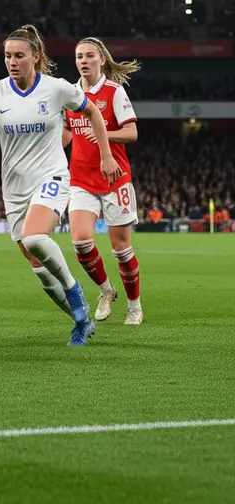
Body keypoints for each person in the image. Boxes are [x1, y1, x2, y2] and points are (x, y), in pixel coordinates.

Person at [0, 25, 122, 346]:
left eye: (19, 55)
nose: (12, 61)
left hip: (52, 177)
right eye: (8, 55)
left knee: (35, 238)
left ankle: (76, 292)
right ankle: (81, 320)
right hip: (14, 189)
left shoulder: (56, 88)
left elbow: (92, 111)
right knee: (37, 265)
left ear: (35, 57)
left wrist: (106, 154)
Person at [64, 37, 143, 325]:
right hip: (81, 179)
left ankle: (134, 305)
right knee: (81, 242)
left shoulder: (114, 91)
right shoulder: (69, 94)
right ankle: (105, 290)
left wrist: (103, 134)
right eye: (78, 56)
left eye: (89, 56)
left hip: (114, 178)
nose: (83, 61)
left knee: (121, 249)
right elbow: (66, 134)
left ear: (101, 60)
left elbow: (132, 133)